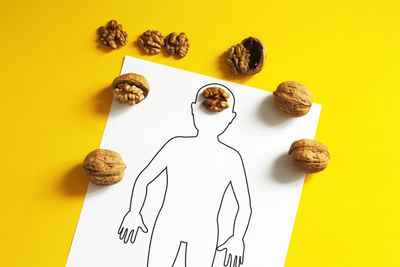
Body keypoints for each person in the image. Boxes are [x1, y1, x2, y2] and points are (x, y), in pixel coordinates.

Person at [118, 84, 252, 267]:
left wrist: (238, 237)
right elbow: (143, 179)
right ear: (193, 110)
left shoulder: (232, 158)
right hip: (168, 225)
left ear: (231, 117)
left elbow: (244, 205)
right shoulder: (176, 145)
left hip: (204, 232)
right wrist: (134, 212)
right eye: (205, 108)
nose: (211, 117)